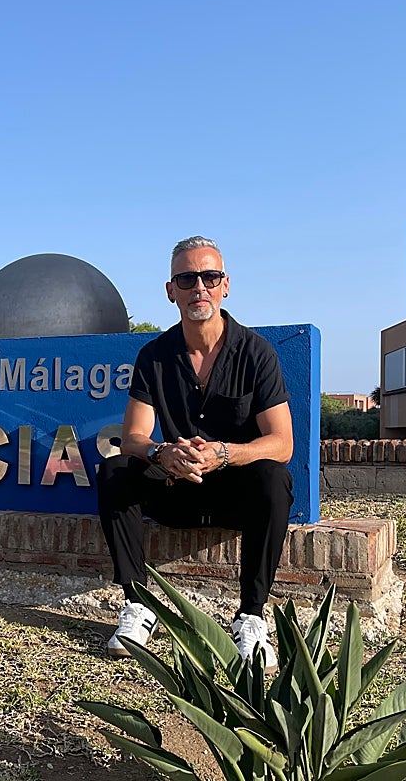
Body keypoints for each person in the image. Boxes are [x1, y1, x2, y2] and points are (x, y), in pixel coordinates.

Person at [97, 236, 293, 674]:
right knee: (114, 470)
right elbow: (132, 438)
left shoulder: (256, 353)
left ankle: (252, 618)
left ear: (226, 285)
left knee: (274, 478)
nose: (198, 287)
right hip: (176, 488)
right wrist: (162, 452)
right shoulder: (154, 356)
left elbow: (282, 442)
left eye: (209, 276)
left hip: (235, 492)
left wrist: (225, 453)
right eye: (187, 278)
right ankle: (138, 605)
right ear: (172, 291)